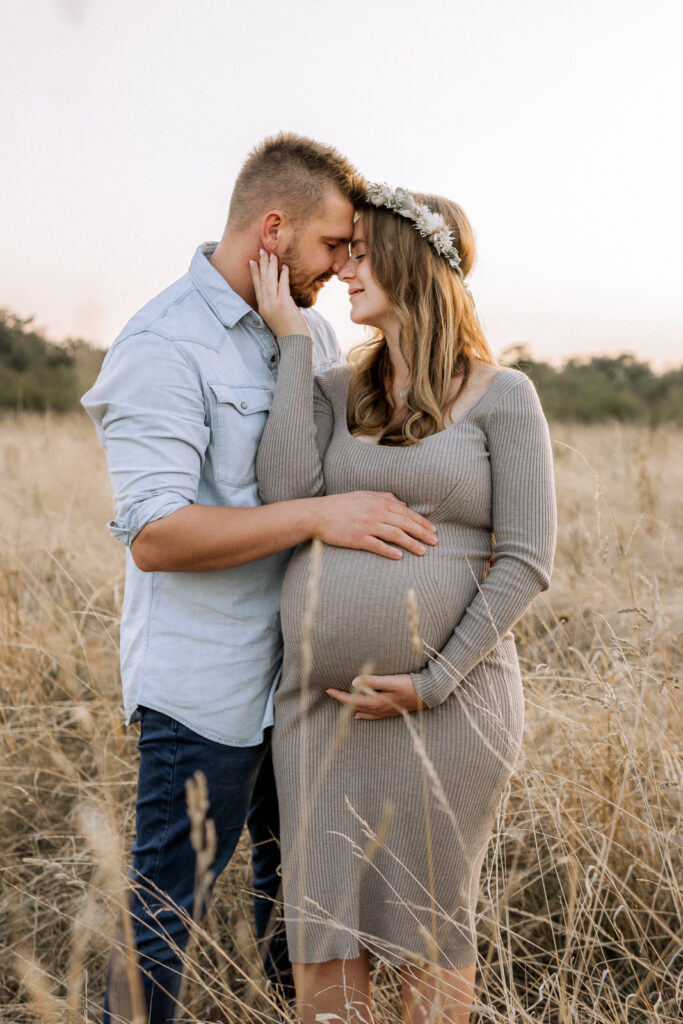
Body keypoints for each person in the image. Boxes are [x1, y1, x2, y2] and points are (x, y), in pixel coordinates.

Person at [81, 139, 438, 1024]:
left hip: (304, 680)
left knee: (303, 904)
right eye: (332, 244)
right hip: (204, 687)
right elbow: (156, 536)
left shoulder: (308, 332)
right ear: (272, 230)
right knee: (165, 909)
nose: (342, 266)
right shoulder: (161, 345)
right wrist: (320, 517)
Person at [252, 184, 557, 1023]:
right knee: (321, 930)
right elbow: (285, 494)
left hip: (449, 710)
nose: (342, 270)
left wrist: (433, 681)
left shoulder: (503, 395)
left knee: (430, 933)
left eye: (360, 253)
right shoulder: (332, 388)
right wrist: (290, 343)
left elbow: (526, 560)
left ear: (413, 263)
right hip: (322, 713)